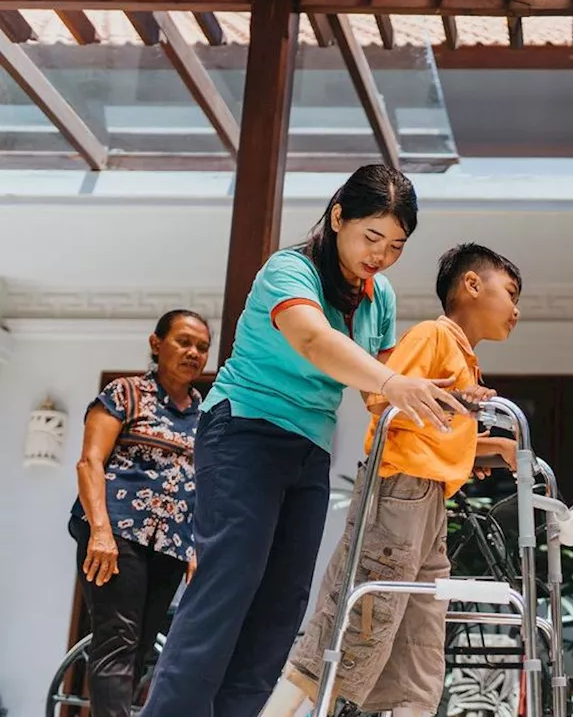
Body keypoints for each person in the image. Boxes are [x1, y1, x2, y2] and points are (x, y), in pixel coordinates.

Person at [138, 165, 469, 717]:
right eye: (371, 237)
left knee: (282, 606)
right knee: (228, 586)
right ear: (338, 216)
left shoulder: (378, 295)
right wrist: (392, 381)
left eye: (395, 245)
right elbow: (315, 342)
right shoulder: (288, 271)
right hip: (243, 432)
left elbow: (381, 391)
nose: (381, 255)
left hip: (309, 449)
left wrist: (463, 432)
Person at [259, 243, 523, 717]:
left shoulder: (464, 358)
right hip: (400, 492)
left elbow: (425, 429)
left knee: (418, 641)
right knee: (360, 619)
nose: (517, 309)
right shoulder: (434, 336)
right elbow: (386, 401)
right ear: (472, 284)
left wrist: (489, 448)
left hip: (429, 501)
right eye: (512, 292)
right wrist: (459, 401)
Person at [69, 308, 212, 717]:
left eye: (202, 347)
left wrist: (195, 545)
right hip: (117, 534)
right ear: (156, 344)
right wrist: (100, 531)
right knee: (118, 638)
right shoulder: (125, 393)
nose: (193, 353)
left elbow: (202, 484)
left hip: (170, 544)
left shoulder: (204, 414)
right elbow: (89, 462)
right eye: (183, 342)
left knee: (142, 649)